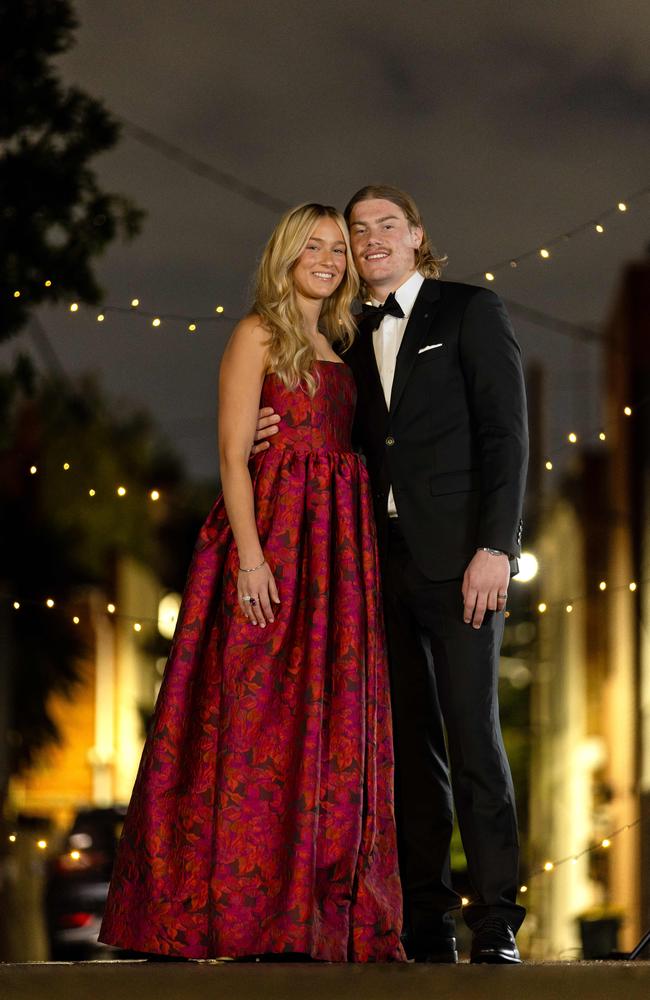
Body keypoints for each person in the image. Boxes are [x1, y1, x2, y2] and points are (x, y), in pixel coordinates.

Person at [99, 203, 405, 962]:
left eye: (339, 247)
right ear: (285, 254)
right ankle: (234, 910)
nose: (331, 258)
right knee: (251, 719)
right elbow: (234, 455)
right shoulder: (255, 332)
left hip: (339, 550)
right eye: (315, 245)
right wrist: (253, 557)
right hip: (272, 534)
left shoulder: (340, 339)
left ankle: (309, 912)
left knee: (327, 719)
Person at [254, 184, 529, 964]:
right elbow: (312, 415)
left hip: (464, 564)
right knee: (407, 749)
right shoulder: (341, 333)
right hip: (373, 565)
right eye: (356, 230)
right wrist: (258, 430)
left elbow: (506, 437)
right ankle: (424, 918)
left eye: (385, 226)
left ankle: (498, 921)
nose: (368, 240)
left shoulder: (470, 311)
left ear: (415, 237)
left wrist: (497, 548)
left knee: (474, 735)